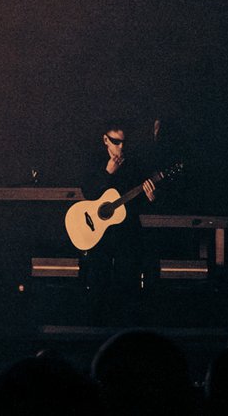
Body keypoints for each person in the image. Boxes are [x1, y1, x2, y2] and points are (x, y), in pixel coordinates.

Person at [81, 122, 157, 313]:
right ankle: (97, 316)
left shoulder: (134, 164)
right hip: (100, 232)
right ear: (105, 140)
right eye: (116, 142)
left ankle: (126, 317)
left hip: (126, 230)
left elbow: (137, 202)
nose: (121, 146)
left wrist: (150, 197)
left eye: (124, 142)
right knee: (99, 275)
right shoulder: (95, 161)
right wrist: (107, 172)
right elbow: (88, 192)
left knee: (127, 276)